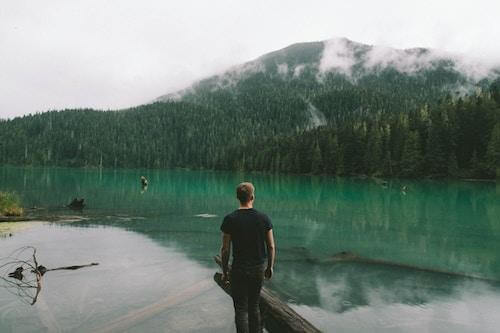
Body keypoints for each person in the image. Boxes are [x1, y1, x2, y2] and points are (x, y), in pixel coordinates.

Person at [220, 182, 275, 333]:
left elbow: (225, 249)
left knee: (241, 309)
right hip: (258, 269)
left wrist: (225, 271)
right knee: (254, 306)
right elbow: (271, 246)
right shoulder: (263, 218)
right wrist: (270, 267)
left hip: (239, 269)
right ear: (252, 197)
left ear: (238, 198)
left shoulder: (230, 219)